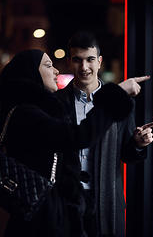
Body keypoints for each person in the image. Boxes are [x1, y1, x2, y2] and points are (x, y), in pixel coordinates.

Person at [0, 49, 134, 237]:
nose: (56, 71)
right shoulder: (25, 114)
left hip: (41, 212)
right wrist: (117, 95)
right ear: (30, 73)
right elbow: (79, 136)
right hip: (42, 219)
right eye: (48, 65)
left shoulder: (34, 111)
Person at [57, 31, 153, 237]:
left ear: (100, 61)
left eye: (90, 59)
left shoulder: (121, 102)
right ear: (69, 62)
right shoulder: (57, 102)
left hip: (106, 201)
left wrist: (138, 144)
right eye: (77, 60)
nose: (84, 67)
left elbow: (127, 155)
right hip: (65, 200)